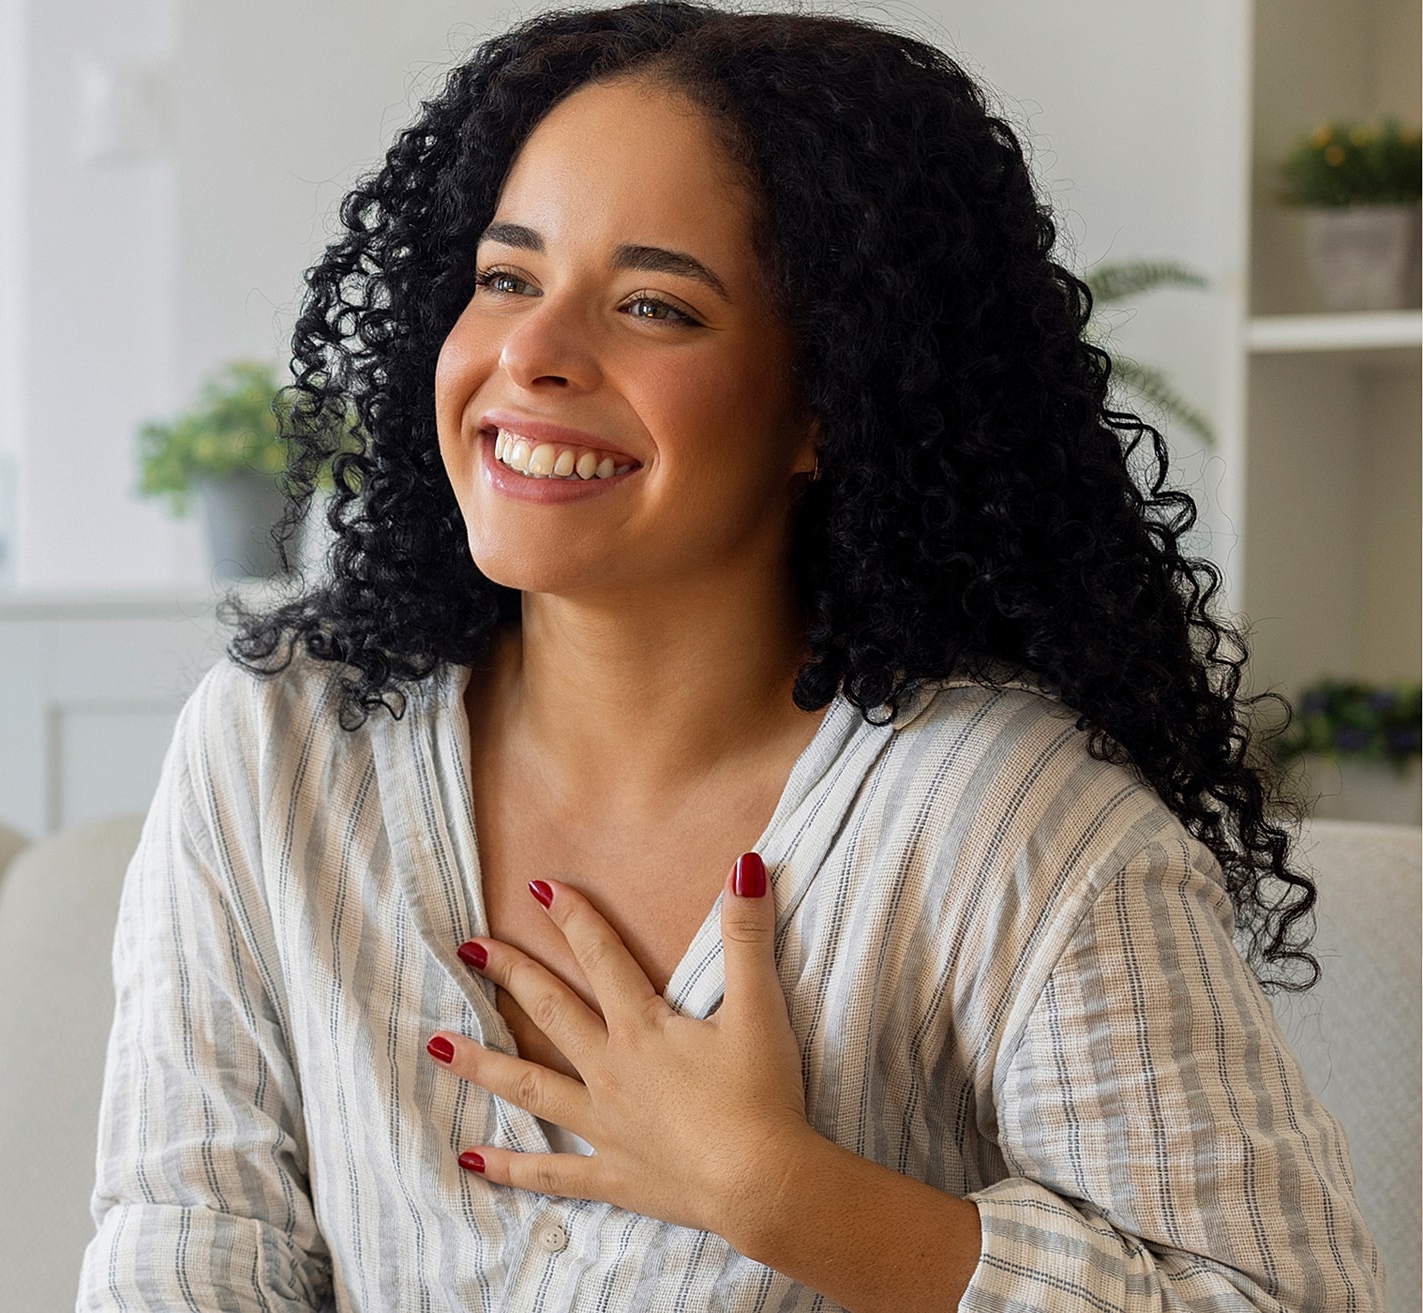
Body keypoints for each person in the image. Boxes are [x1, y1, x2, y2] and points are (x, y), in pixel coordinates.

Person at [77, 4, 1383, 1310]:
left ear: (828, 399)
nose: (530, 354)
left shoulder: (1009, 821)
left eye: (655, 305)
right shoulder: (275, 747)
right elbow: (188, 1237)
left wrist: (785, 1196)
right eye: (507, 277)